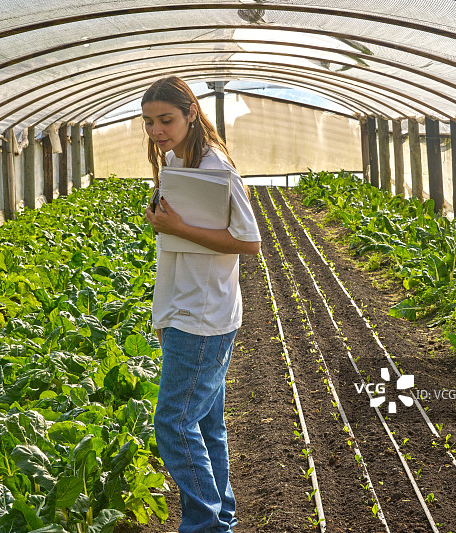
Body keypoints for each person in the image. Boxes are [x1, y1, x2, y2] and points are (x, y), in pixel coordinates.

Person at [142, 76, 261, 533]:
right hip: (183, 308)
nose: (157, 130)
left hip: (202, 315)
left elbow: (249, 242)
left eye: (166, 119)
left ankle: (205, 526)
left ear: (191, 113)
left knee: (173, 424)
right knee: (206, 425)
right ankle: (220, 517)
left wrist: (175, 227)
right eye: (149, 121)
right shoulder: (176, 160)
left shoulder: (216, 168)